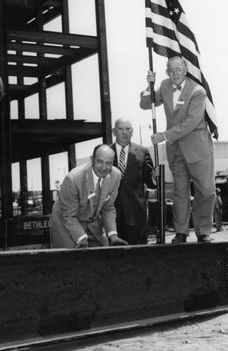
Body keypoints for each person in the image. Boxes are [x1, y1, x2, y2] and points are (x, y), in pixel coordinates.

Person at [140, 56, 215, 244]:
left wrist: (164, 136)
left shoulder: (198, 91)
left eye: (178, 69)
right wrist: (149, 85)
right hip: (176, 150)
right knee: (179, 192)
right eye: (170, 70)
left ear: (185, 69)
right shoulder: (165, 86)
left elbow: (191, 122)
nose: (174, 73)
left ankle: (203, 232)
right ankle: (181, 232)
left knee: (205, 190)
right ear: (166, 72)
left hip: (198, 148)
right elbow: (144, 104)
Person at [51, 144, 128, 248]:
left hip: (92, 222)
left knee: (103, 253)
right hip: (66, 221)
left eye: (108, 163)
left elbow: (108, 208)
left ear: (113, 162)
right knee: (72, 259)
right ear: (92, 159)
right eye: (99, 162)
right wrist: (81, 238)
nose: (104, 168)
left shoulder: (116, 175)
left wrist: (113, 235)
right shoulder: (73, 178)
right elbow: (68, 215)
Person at [111, 117, 156, 245]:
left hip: (136, 215)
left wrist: (155, 177)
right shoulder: (106, 152)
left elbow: (151, 182)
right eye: (120, 129)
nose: (124, 132)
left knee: (138, 256)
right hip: (112, 216)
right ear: (114, 131)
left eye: (128, 129)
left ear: (132, 131)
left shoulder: (143, 151)